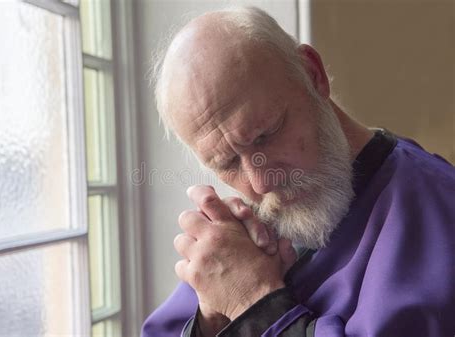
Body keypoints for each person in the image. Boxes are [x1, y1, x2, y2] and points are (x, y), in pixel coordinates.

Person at [141, 6, 455, 337]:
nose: (261, 184)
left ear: (312, 74)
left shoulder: (437, 209)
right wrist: (212, 317)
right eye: (228, 164)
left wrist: (254, 306)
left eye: (266, 134)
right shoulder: (241, 235)